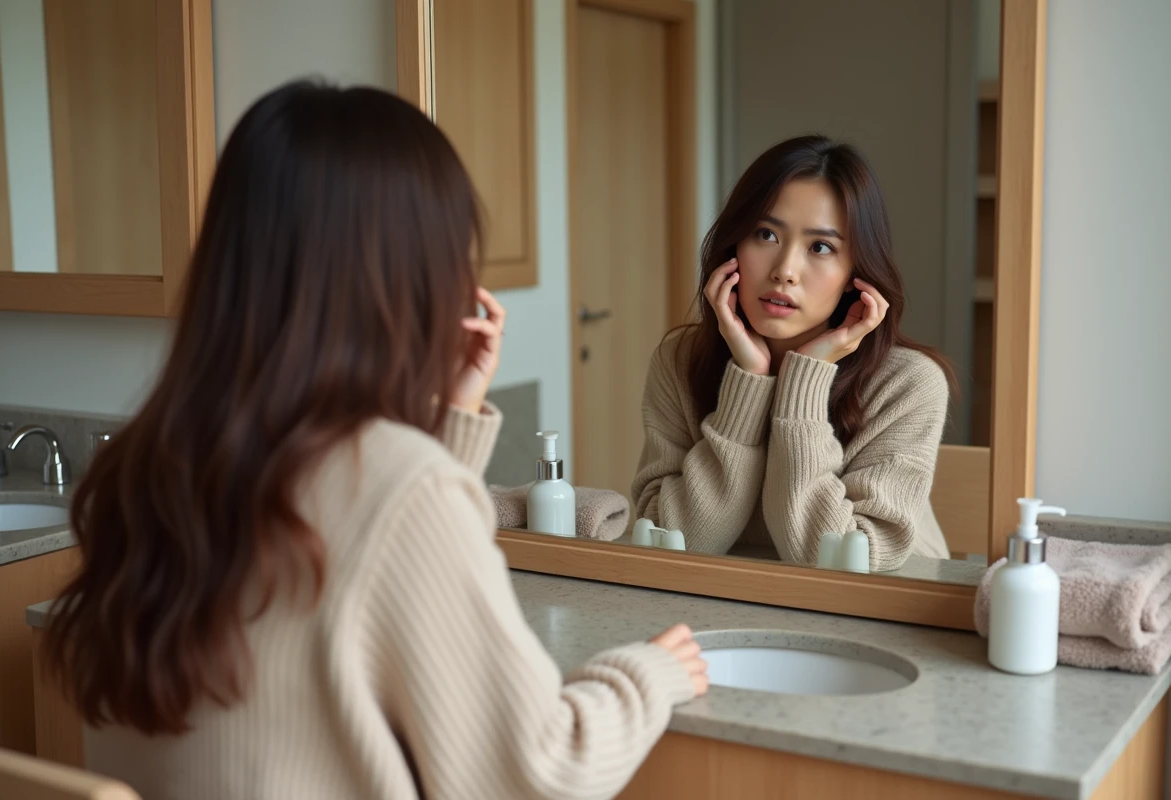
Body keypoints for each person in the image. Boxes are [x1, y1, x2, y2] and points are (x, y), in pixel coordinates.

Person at [41, 81, 707, 800]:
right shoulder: (401, 488)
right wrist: (649, 673)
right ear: (415, 274)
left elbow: (346, 586)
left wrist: (446, 425)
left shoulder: (150, 462)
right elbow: (538, 770)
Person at [632, 135, 955, 571]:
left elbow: (838, 564)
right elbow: (672, 544)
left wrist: (804, 381)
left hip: (887, 613)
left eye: (820, 247)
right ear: (733, 247)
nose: (784, 270)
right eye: (766, 234)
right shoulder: (679, 360)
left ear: (854, 274)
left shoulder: (908, 383)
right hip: (728, 606)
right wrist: (750, 380)